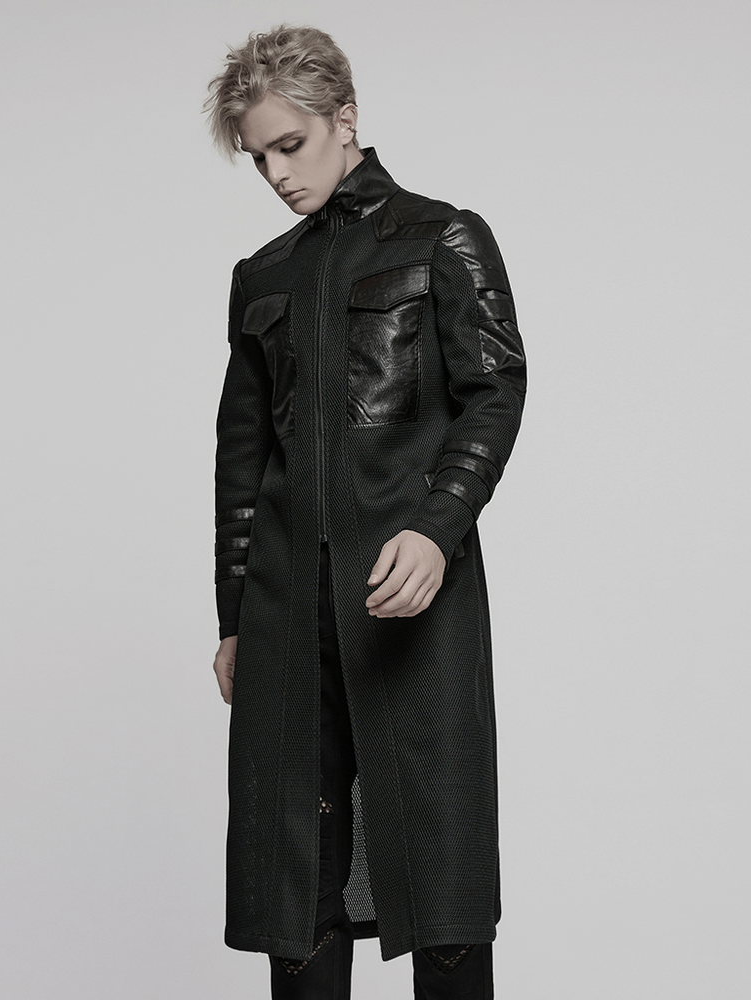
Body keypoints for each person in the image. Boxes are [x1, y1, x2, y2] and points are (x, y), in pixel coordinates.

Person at [205, 25, 526, 999]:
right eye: (258, 156)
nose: (275, 173)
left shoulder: (443, 237)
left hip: (408, 602)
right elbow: (241, 462)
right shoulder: (262, 275)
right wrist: (233, 617)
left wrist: (436, 525)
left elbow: (495, 392)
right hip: (283, 614)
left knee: (439, 864)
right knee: (293, 878)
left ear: (344, 118)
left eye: (289, 145)